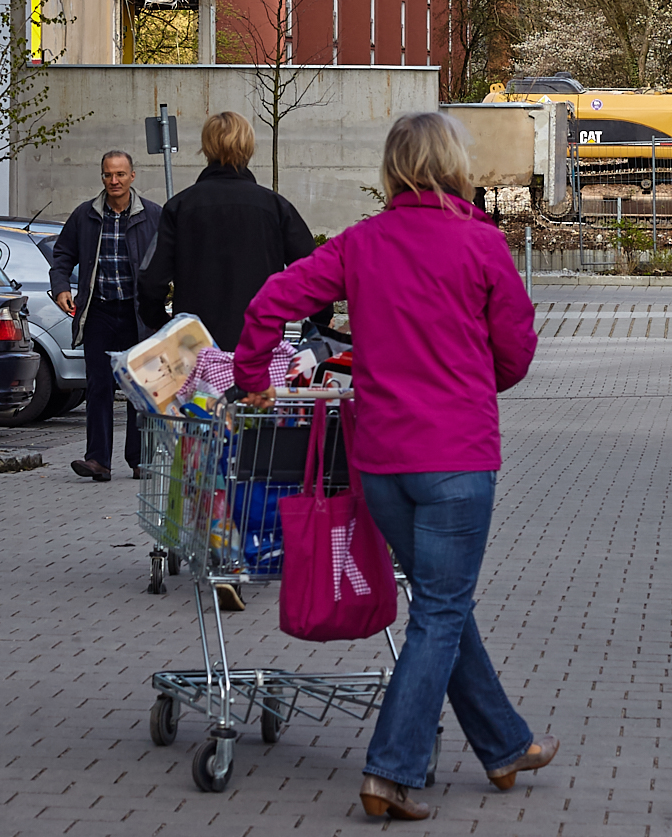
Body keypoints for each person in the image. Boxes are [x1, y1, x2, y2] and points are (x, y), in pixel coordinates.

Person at [234, 111, 550, 821]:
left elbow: (271, 301)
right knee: (440, 609)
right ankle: (392, 771)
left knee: (443, 605)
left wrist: (254, 373)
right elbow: (517, 351)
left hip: (380, 463)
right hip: (456, 458)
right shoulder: (481, 243)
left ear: (393, 169)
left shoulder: (360, 243)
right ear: (453, 164)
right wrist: (472, 381)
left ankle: (503, 746)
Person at [138, 111, 323, 350]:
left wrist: (160, 323)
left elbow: (151, 280)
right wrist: (320, 320)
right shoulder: (275, 208)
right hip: (260, 346)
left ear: (206, 148)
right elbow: (313, 270)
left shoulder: (180, 208)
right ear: (249, 147)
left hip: (196, 348)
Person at [49, 150, 163, 482]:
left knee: (137, 388)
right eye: (108, 175)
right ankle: (98, 459)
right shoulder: (86, 215)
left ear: (132, 176)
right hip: (98, 311)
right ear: (102, 177)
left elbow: (172, 257)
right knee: (98, 385)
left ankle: (139, 459)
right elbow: (62, 255)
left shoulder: (152, 215)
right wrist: (60, 287)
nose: (114, 181)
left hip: (137, 314)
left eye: (120, 175)